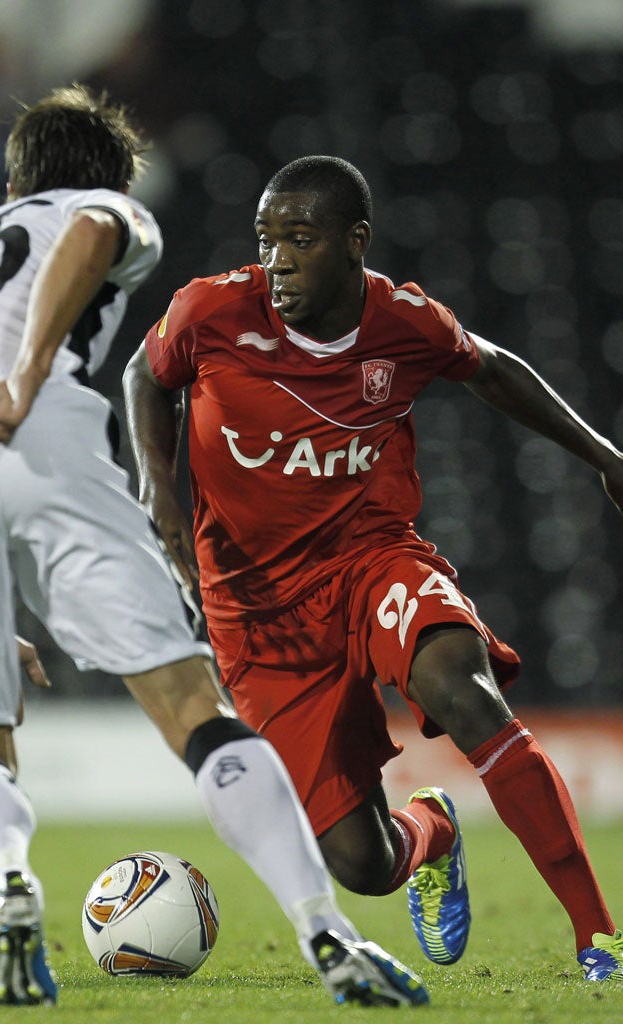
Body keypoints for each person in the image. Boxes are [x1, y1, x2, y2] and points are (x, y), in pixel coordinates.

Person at [0, 91, 431, 1009]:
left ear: (12, 180)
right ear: (112, 175)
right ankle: (327, 929)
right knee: (190, 708)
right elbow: (91, 226)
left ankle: (10, 886)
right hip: (35, 428)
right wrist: (24, 378)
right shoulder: (107, 206)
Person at [123, 153, 623, 984]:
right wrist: (157, 484)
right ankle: (433, 830)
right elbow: (147, 373)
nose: (277, 258)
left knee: (466, 693)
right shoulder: (211, 312)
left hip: (369, 561)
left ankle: (598, 934)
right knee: (361, 861)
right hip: (256, 613)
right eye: (266, 238)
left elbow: (492, 369)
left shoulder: (405, 322)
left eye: (300, 238)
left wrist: (604, 456)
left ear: (355, 243)